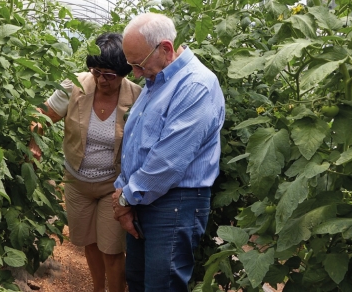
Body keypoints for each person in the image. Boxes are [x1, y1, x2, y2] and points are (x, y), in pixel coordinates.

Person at [111, 13, 225, 291]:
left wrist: (125, 199)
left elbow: (168, 160)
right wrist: (125, 195)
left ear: (166, 48)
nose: (136, 73)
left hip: (175, 203)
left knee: (163, 285)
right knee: (137, 280)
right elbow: (137, 144)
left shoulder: (195, 85)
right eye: (131, 64)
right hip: (143, 197)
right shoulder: (156, 82)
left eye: (138, 64)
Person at [29, 32, 142, 292]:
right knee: (90, 243)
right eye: (96, 72)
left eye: (109, 75)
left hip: (112, 187)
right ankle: (96, 289)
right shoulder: (74, 86)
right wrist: (35, 140)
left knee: (112, 250)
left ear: (124, 73)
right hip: (77, 183)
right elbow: (43, 115)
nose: (101, 80)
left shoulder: (136, 97)